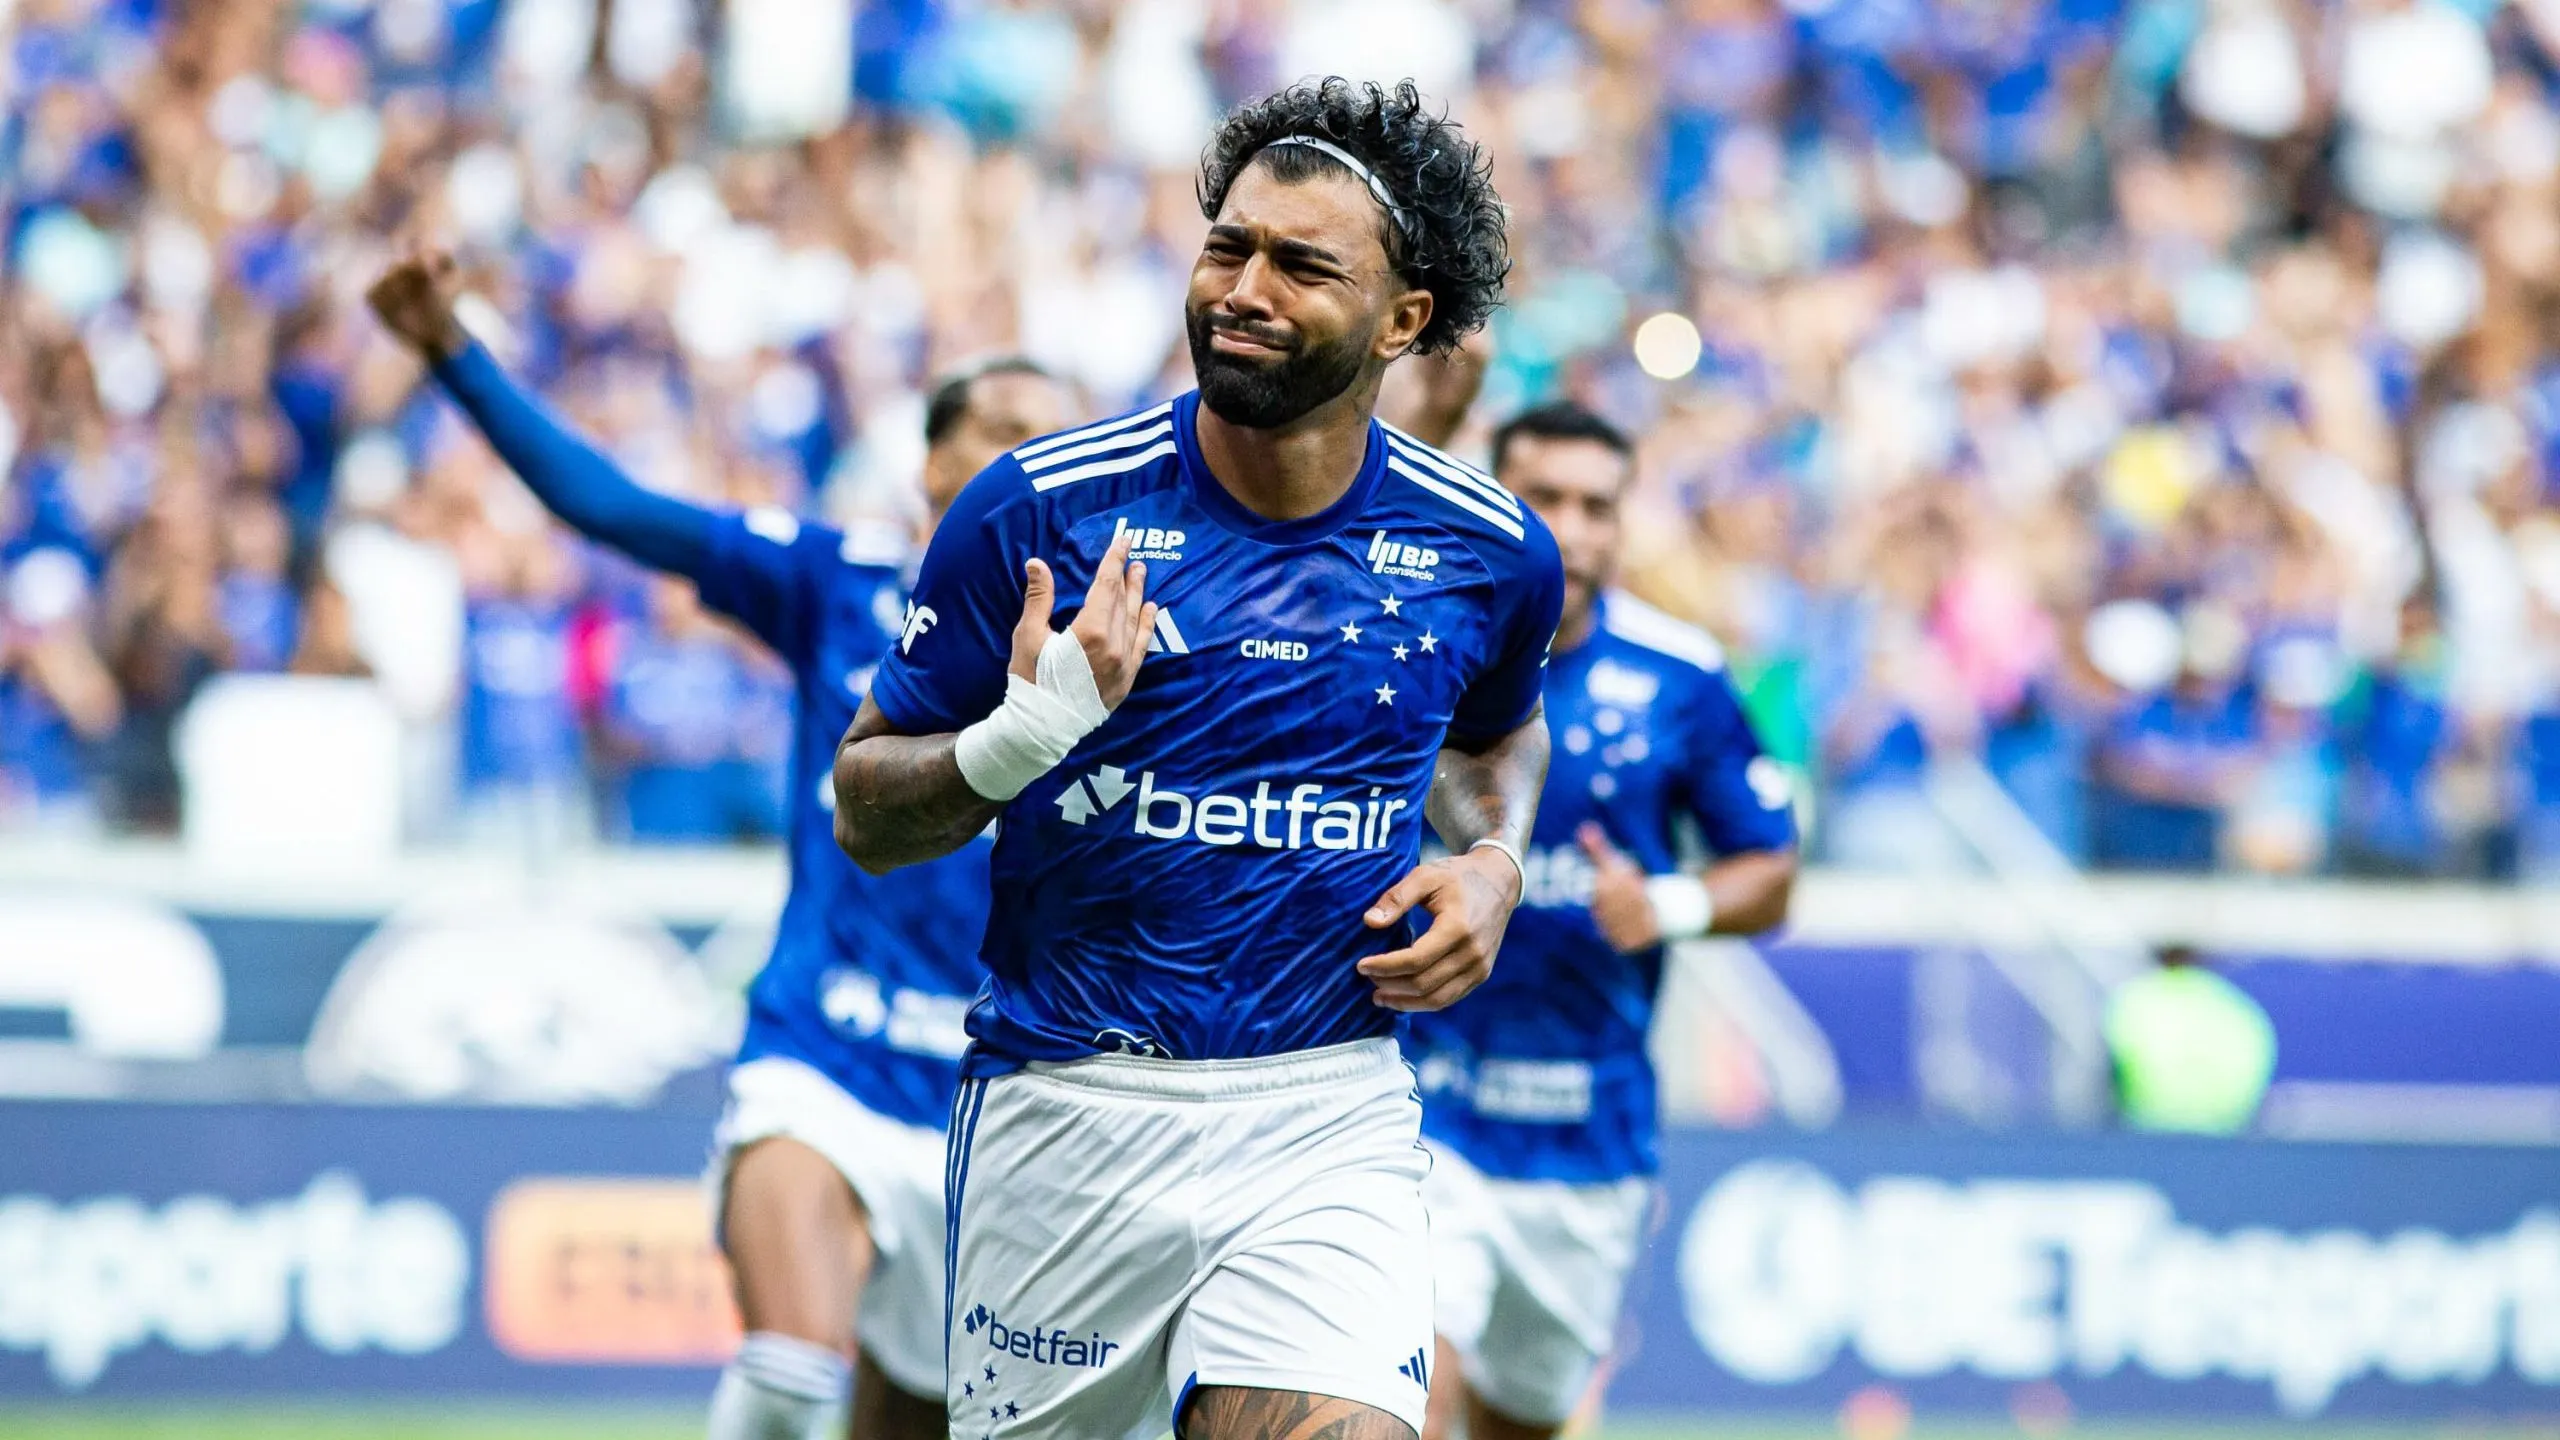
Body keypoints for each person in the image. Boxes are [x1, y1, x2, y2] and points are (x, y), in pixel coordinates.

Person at [830, 78, 1560, 1440]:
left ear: (1407, 318)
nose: (1243, 287)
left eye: (1301, 263)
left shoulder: (1487, 548)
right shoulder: (1039, 507)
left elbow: (1502, 728)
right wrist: (1022, 737)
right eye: (1228, 245)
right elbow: (867, 810)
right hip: (1070, 1110)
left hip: (1323, 1110)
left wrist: (1497, 864)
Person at [366, 252, 1072, 1440]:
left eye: (1052, 441)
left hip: (994, 1102)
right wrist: (453, 353)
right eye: (1000, 429)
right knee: (792, 1381)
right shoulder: (835, 583)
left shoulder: (1112, 647)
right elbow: (607, 506)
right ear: (927, 469)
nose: (1025, 461)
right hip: (824, 1052)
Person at [1404, 403, 1799, 1440]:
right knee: (1410, 1389)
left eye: (1597, 505)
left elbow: (1771, 870)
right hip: (1417, 1106)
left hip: (1589, 1131)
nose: (1571, 528)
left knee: (1521, 1419)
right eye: (1544, 498)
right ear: (1496, 500)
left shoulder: (1683, 675)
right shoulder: (1416, 641)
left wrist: (1664, 904)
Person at [2105, 941, 2278, 1134]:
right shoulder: (2237, 1005)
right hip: (2223, 1135)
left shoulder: (2134, 998)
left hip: (2147, 1133)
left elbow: (2112, 1069)